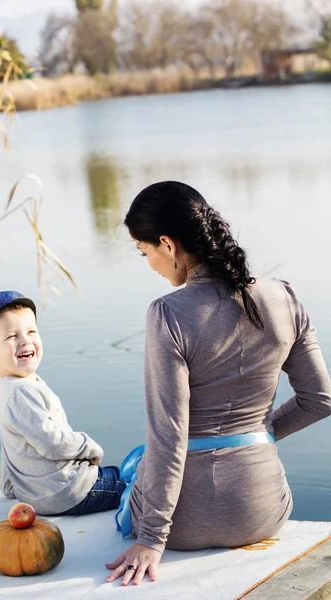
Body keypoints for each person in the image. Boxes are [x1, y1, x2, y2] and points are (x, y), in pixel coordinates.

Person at [105, 181, 331, 587]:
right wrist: (256, 435)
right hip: (264, 512)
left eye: (146, 254)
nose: (151, 266)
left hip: (182, 526)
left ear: (167, 245)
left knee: (133, 467)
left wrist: (151, 540)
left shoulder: (167, 314)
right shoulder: (284, 296)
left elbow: (168, 436)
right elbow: (320, 399)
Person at [0, 291, 125, 516]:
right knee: (135, 483)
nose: (25, 340)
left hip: (42, 492)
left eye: (31, 331)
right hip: (66, 492)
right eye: (12, 336)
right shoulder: (20, 392)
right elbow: (51, 442)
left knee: (117, 473)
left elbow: (12, 442)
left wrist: (10, 485)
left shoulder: (9, 384)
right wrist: (88, 445)